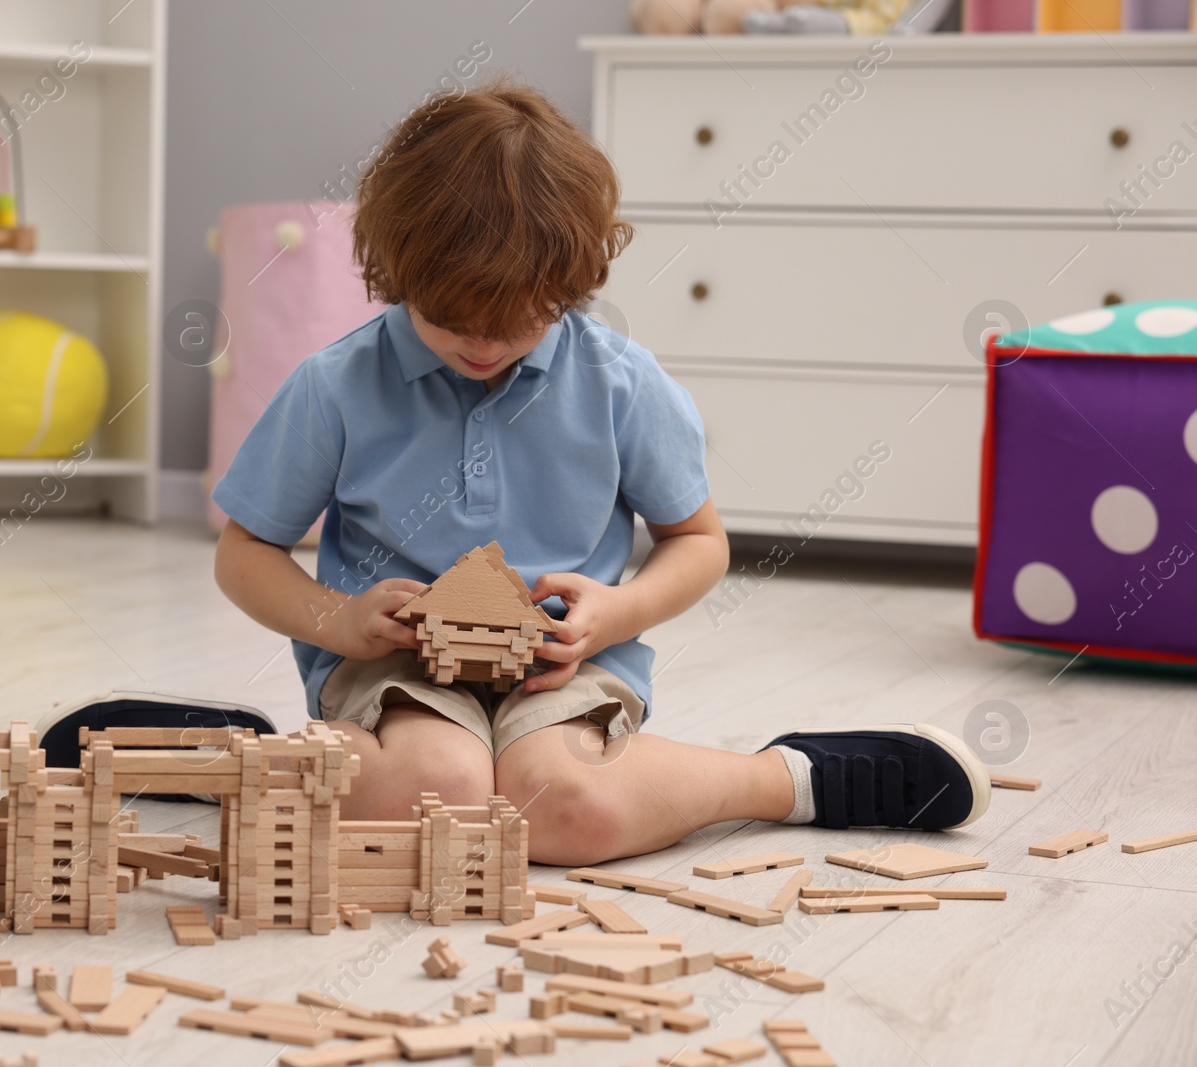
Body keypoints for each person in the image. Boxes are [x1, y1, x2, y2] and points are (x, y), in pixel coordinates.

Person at [211, 78, 988, 865]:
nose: (483, 346)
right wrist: (335, 621)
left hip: (564, 668)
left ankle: (784, 778)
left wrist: (615, 613)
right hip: (395, 674)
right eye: (452, 322)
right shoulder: (336, 383)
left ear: (571, 284)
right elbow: (243, 552)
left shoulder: (619, 379)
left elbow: (699, 541)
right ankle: (195, 757)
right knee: (436, 789)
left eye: (516, 323)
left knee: (564, 807)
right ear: (399, 272)